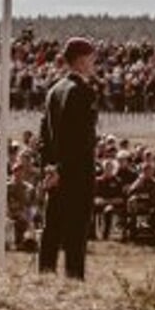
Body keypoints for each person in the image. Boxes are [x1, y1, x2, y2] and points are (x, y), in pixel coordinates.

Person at [38, 38, 99, 279]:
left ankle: (44, 274)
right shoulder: (83, 91)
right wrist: (62, 169)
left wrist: (49, 169)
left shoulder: (54, 90)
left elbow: (45, 135)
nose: (94, 63)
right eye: (92, 58)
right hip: (76, 172)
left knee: (51, 227)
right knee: (76, 232)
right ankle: (74, 279)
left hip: (56, 172)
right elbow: (80, 139)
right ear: (82, 59)